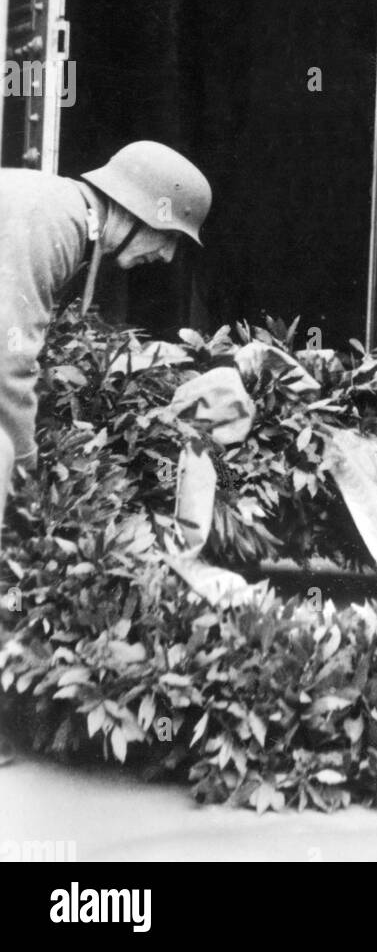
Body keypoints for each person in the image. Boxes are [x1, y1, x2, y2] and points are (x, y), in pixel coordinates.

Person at [0, 141, 211, 765]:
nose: (165, 255)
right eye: (169, 238)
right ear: (138, 213)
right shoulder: (55, 223)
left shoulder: (61, 212)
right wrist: (29, 487)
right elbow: (9, 368)